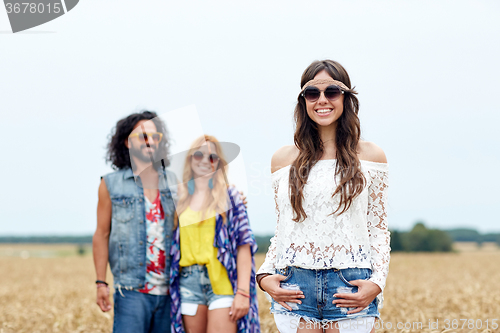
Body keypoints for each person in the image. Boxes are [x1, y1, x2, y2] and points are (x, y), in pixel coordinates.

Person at [256, 60, 390, 333]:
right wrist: (263, 276)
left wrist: (377, 283)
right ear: (303, 100)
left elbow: (377, 228)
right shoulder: (283, 159)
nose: (322, 100)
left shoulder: (371, 156)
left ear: (346, 97)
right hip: (294, 284)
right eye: (312, 93)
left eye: (332, 91)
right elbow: (283, 228)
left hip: (350, 284)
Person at [93, 111, 177, 333]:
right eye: (142, 135)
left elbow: (211, 195)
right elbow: (101, 234)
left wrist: (235, 195)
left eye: (154, 136)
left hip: (172, 291)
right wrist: (101, 282)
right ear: (126, 142)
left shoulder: (175, 182)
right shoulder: (110, 184)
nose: (149, 140)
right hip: (131, 291)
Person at [169, 135, 260, 333]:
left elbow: (244, 245)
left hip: (222, 281)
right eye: (198, 155)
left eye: (212, 157)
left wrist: (243, 292)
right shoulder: (178, 199)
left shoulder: (231, 197)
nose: (204, 161)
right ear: (190, 159)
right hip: (188, 283)